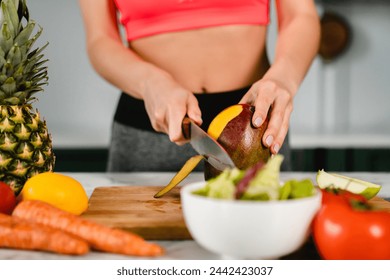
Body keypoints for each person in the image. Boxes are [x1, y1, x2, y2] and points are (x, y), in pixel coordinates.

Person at [78, 0, 320, 172]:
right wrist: (149, 82)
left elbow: (300, 15)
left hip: (255, 125)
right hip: (150, 124)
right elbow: (100, 39)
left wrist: (283, 79)